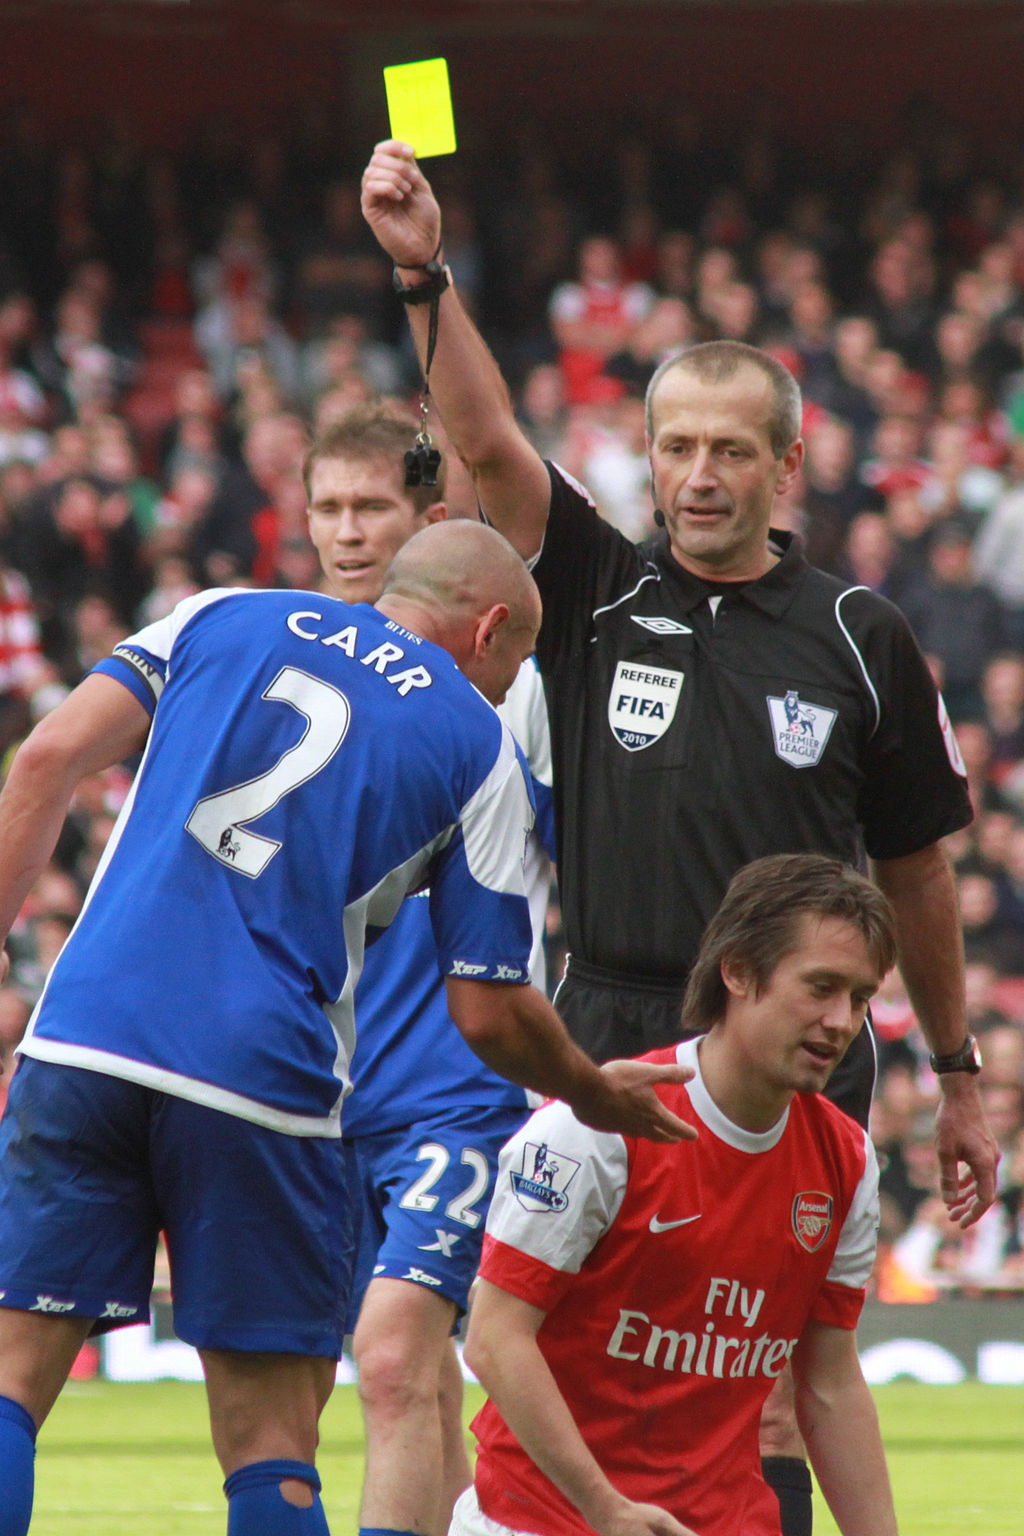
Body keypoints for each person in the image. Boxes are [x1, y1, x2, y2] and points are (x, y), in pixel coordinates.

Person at [360, 139, 999, 1536]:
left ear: (788, 460)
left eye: (728, 448)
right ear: (647, 455)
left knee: (767, 1377)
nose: (698, 475)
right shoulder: (594, 586)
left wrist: (959, 1073)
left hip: (795, 1042)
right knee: (576, 1346)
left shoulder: (863, 636)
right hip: (612, 1023)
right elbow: (481, 445)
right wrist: (422, 269)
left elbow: (920, 873)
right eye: (674, 446)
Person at [0, 518, 691, 1536]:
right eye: (517, 661)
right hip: (260, 1082)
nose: (510, 686)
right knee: (270, 1437)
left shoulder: (220, 614)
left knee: (14, 1382)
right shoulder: (474, 739)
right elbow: (488, 1007)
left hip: (84, 1041)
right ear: (489, 629)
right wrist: (590, 1087)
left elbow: (46, 758)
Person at [458, 854, 903, 1536]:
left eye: (861, 997)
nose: (842, 1021)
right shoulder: (593, 1128)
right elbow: (493, 1338)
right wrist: (604, 1510)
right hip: (545, 1522)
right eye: (821, 987)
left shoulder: (846, 1159)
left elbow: (829, 1383)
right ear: (739, 972)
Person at [302, 404, 555, 1536]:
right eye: (328, 509)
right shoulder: (279, 663)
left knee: (397, 1354)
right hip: (303, 1093)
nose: (349, 534)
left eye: (373, 510)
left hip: (455, 1089)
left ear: (428, 525)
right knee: (336, 1385)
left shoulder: (513, 687)